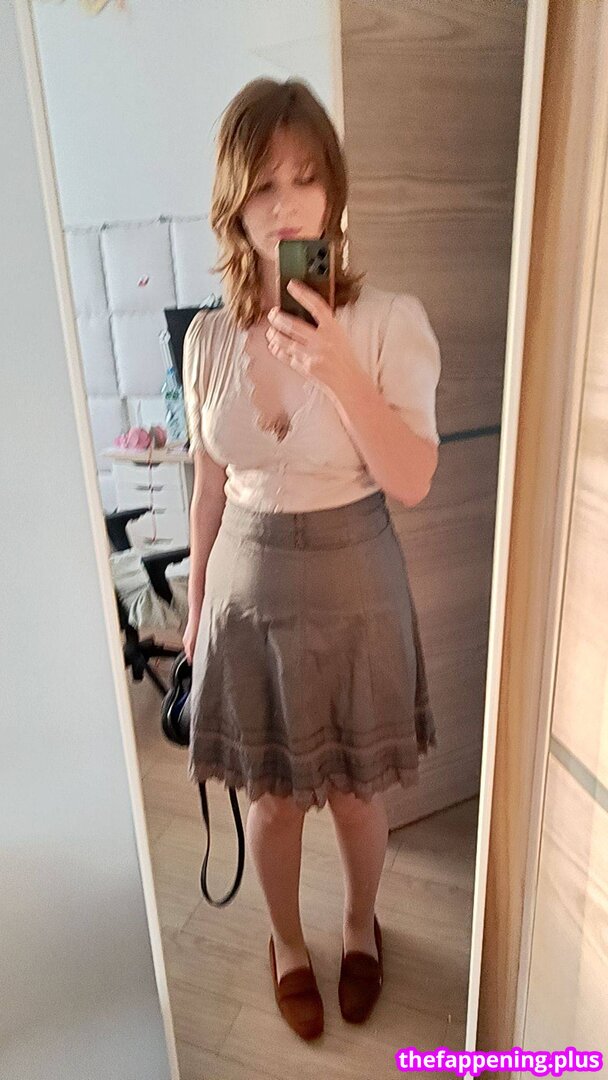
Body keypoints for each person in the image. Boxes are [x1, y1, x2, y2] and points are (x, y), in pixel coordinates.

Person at [181, 76, 441, 1041]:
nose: (286, 202)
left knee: (357, 799)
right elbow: (207, 493)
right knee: (274, 805)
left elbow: (411, 478)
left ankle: (359, 924)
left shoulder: (387, 321)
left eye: (305, 177)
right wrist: (194, 617)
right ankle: (287, 942)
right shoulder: (207, 340)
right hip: (245, 600)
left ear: (334, 188)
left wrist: (337, 368)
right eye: (263, 183)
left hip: (356, 587)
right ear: (234, 201)